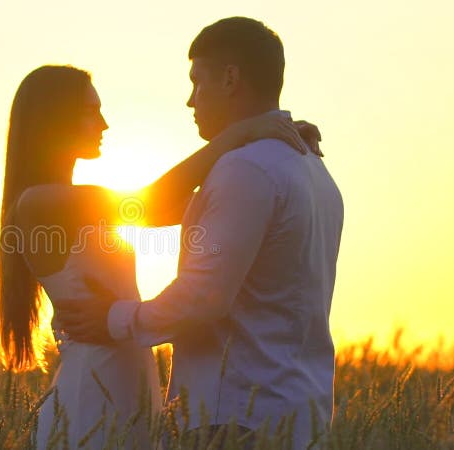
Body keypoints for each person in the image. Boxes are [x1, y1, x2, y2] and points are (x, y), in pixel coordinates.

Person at [0, 64, 320, 449]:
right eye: (91, 111)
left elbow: (198, 205)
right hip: (89, 393)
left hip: (125, 385)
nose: (104, 124)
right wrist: (243, 133)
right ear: (55, 119)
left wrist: (274, 150)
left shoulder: (83, 203)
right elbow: (153, 201)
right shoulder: (39, 202)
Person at [56, 17, 344, 450]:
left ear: (230, 79)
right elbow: (153, 210)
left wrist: (114, 317)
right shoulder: (313, 169)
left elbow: (203, 298)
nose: (190, 101)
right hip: (300, 418)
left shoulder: (245, 169)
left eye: (196, 81)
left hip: (235, 420)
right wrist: (234, 139)